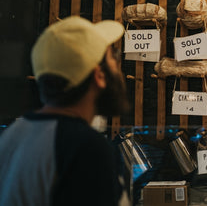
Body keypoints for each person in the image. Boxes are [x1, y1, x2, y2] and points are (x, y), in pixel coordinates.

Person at [0, 16, 130, 206]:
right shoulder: (86, 148)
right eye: (113, 57)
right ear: (99, 75)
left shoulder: (11, 135)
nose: (117, 68)